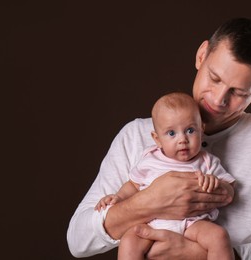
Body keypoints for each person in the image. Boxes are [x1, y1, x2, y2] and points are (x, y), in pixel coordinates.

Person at [67, 17, 251, 259]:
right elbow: (78, 240)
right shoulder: (135, 136)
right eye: (214, 78)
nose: (219, 100)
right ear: (201, 55)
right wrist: (149, 201)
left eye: (238, 92)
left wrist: (198, 254)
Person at [95, 92, 236, 260]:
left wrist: (216, 183)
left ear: (201, 130)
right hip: (152, 223)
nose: (182, 140)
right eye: (171, 133)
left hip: (193, 224)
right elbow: (133, 185)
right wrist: (117, 198)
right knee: (129, 241)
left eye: (190, 130)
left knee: (219, 236)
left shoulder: (207, 161)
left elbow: (230, 191)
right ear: (157, 139)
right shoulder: (150, 159)